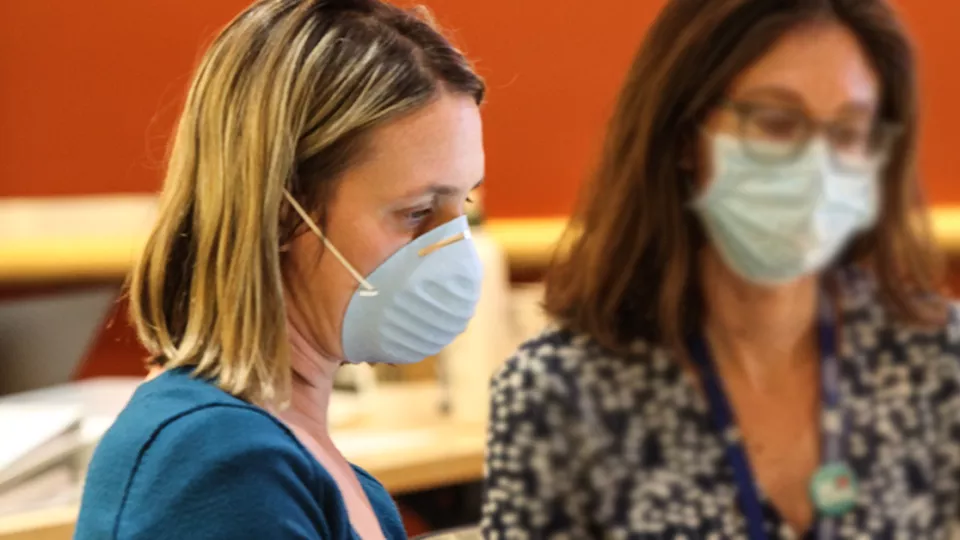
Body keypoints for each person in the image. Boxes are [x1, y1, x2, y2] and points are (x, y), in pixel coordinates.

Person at [482, 0, 960, 538]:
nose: (818, 169)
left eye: (849, 132)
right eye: (777, 122)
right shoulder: (558, 394)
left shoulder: (936, 357)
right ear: (686, 136)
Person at [74, 0, 485, 538]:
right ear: (283, 212)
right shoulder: (216, 465)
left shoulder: (322, 473)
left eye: (464, 209)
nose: (452, 248)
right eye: (415, 213)